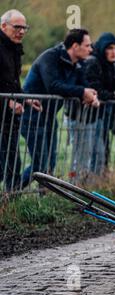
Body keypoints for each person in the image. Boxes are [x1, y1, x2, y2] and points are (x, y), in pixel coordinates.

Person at [21, 28, 99, 189]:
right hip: (31, 115)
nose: (91, 49)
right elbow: (53, 85)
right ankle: (10, 193)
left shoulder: (77, 64)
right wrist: (83, 92)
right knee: (40, 164)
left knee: (50, 163)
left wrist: (92, 95)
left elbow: (83, 85)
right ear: (75, 46)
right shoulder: (50, 57)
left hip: (49, 116)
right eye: (87, 45)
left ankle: (43, 200)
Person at [0, 9, 41, 192]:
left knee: (12, 164)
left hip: (8, 120)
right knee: (5, 166)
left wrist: (26, 99)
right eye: (17, 27)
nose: (22, 31)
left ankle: (11, 205)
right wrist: (7, 102)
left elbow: (12, 85)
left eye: (25, 28)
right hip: (3, 114)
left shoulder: (14, 49)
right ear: (3, 26)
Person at [74, 32, 115, 176]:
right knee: (89, 155)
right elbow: (94, 89)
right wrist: (114, 95)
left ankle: (97, 184)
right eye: (110, 48)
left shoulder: (110, 66)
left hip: (99, 116)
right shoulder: (93, 62)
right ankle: (82, 187)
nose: (114, 52)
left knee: (102, 153)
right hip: (85, 116)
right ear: (102, 48)